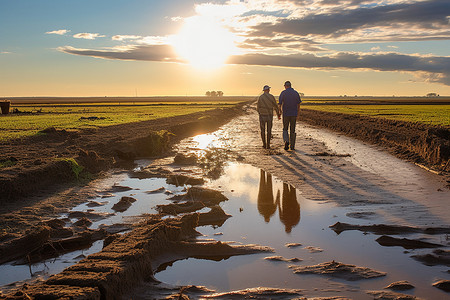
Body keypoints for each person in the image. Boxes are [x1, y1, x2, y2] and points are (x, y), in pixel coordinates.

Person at [278, 81, 302, 150]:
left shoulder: (283, 93)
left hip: (286, 114)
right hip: (294, 114)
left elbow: (280, 104)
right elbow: (298, 104)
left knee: (285, 129)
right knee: (292, 130)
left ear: (285, 86)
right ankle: (292, 146)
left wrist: (280, 111)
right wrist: (298, 113)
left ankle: (286, 141)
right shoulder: (296, 93)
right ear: (290, 86)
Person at [257, 85, 281, 149]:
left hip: (262, 116)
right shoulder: (272, 97)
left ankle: (264, 144)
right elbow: (276, 106)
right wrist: (278, 114)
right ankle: (268, 145)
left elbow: (258, 107)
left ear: (264, 91)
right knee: (269, 130)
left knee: (262, 130)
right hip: (270, 115)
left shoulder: (260, 97)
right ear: (268, 90)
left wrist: (260, 113)